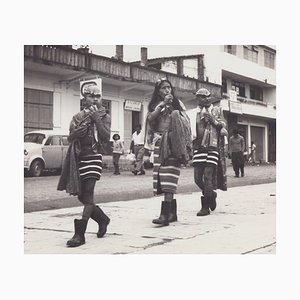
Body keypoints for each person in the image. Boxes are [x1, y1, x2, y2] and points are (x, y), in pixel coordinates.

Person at [57, 85, 111, 247]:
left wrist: (96, 119)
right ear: (84, 98)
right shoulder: (77, 117)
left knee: (88, 193)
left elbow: (106, 137)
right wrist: (75, 134)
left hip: (94, 157)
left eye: (98, 96)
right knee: (82, 197)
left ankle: (79, 234)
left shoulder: (104, 116)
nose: (95, 99)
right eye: (90, 96)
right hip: (78, 158)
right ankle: (103, 219)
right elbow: (70, 137)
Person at [144, 78, 192, 226]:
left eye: (169, 88)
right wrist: (162, 105)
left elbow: (186, 123)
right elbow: (150, 120)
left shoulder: (178, 104)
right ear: (158, 91)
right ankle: (172, 213)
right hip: (160, 143)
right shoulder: (155, 105)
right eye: (164, 88)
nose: (167, 90)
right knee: (163, 177)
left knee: (169, 177)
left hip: (174, 144)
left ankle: (165, 215)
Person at [186, 88, 228, 216]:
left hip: (212, 146)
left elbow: (223, 125)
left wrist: (213, 121)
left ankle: (205, 207)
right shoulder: (193, 113)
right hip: (198, 147)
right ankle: (211, 195)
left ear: (209, 97)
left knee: (207, 176)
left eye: (205, 96)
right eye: (200, 97)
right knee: (197, 179)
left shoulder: (216, 110)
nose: (203, 99)